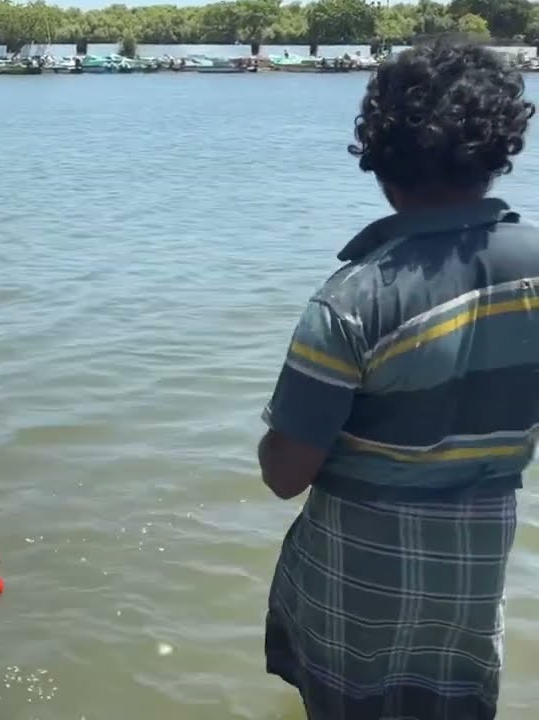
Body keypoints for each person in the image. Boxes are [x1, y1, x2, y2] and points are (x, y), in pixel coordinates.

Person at [258, 38, 536, 720]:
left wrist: (273, 439)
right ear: (498, 152)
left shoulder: (354, 297)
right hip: (473, 568)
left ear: (380, 160)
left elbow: (286, 472)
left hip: (357, 578)